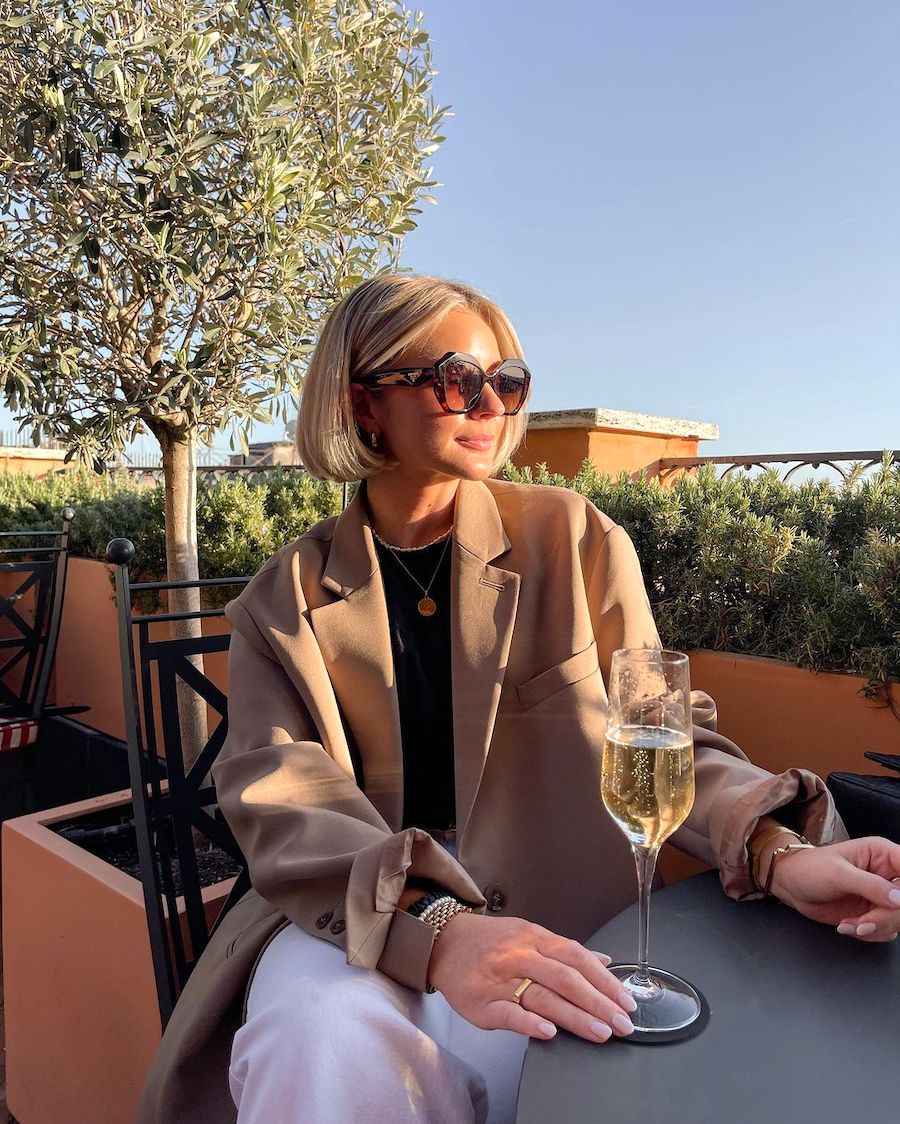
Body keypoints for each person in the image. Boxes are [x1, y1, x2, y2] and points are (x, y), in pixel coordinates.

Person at [138, 273, 900, 1124]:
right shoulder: (284, 599)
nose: (490, 404)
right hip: (359, 917)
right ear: (364, 402)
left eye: (507, 381)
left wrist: (777, 849)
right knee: (319, 1036)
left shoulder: (574, 539)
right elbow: (284, 800)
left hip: (563, 920)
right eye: (456, 378)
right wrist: (437, 927)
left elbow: (661, 738)